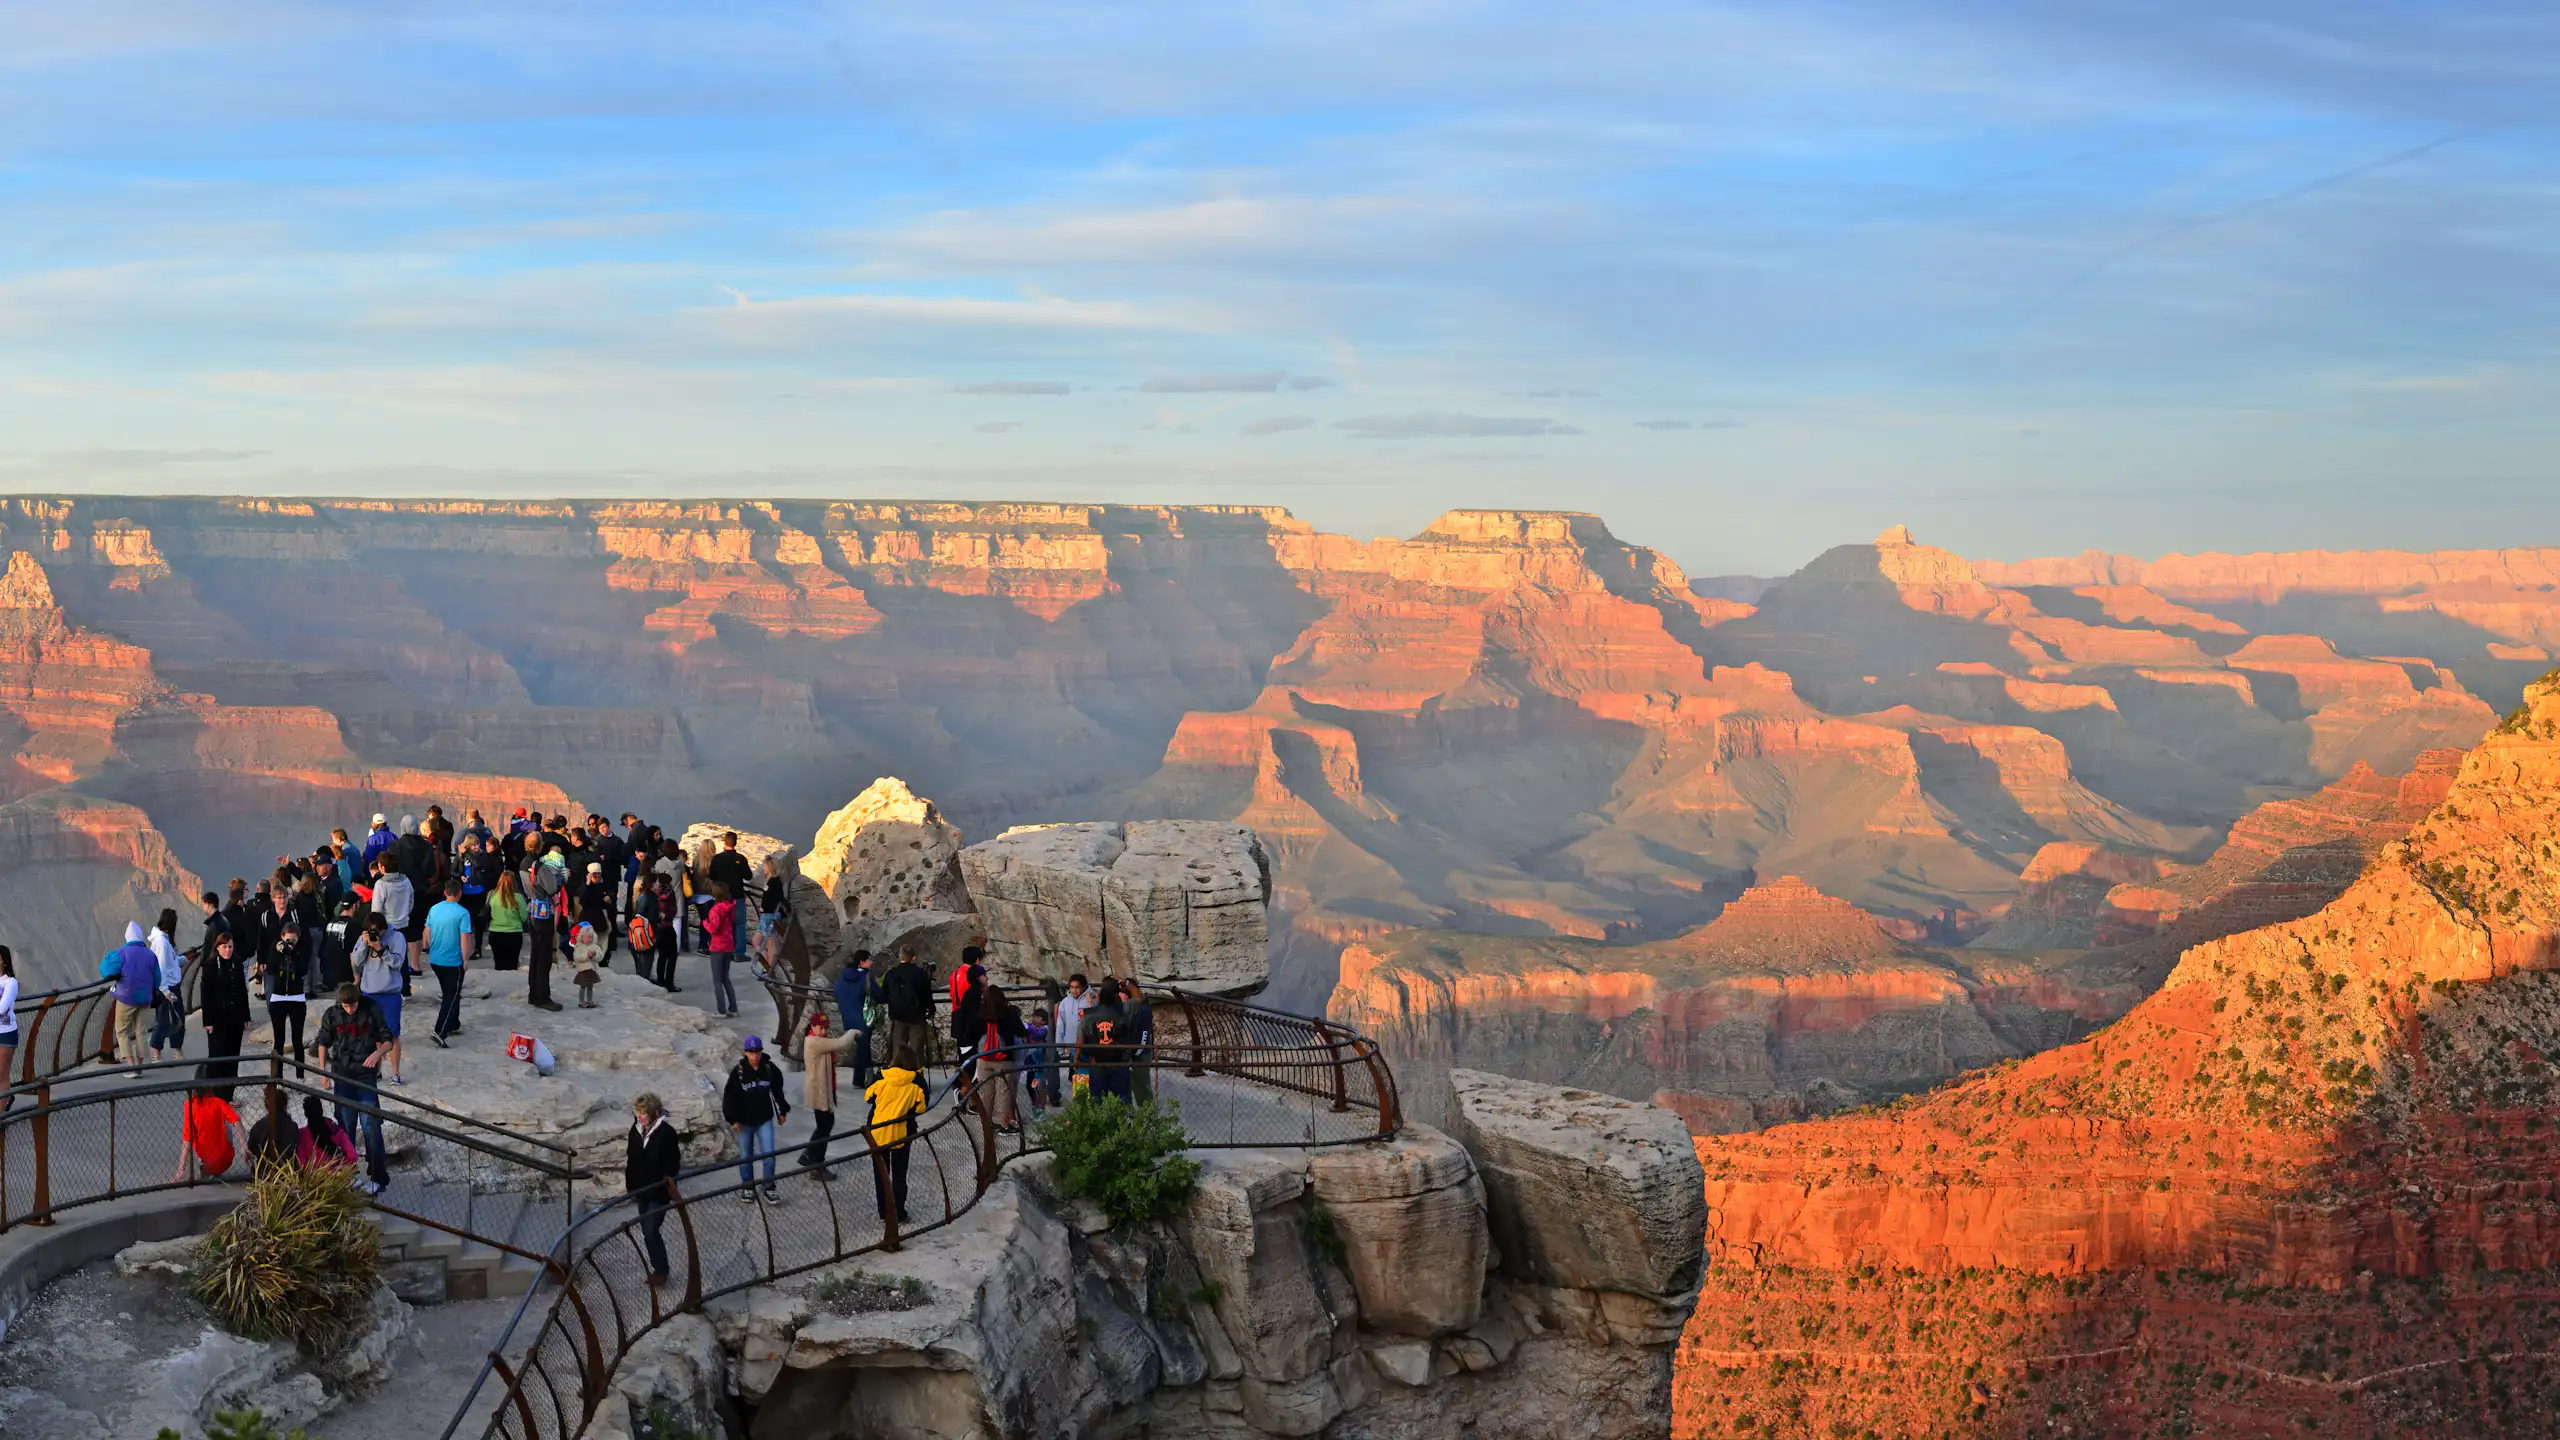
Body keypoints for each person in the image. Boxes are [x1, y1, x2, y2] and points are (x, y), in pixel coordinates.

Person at [313, 983, 393, 1193]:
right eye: (346, 1006)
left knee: (371, 1127)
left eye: (353, 1005)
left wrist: (377, 1055)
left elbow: (388, 1040)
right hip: (342, 1076)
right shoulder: (332, 1014)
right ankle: (350, 1175)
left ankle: (378, 1177)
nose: (350, 1009)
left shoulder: (371, 1008)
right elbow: (323, 1042)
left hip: (366, 1077)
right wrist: (323, 1073)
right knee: (345, 1129)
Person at [625, 1092, 683, 1287]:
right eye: (638, 1112)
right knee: (647, 1231)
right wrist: (631, 1186)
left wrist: (666, 1183)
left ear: (655, 1113)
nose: (639, 1116)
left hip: (659, 1192)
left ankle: (661, 1270)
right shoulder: (635, 1131)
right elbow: (631, 1160)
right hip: (641, 1190)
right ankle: (658, 1268)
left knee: (650, 1230)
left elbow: (673, 1164)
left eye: (643, 1113)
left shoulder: (667, 1133)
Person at [722, 1036, 788, 1204]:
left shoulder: (769, 1069)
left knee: (769, 1155)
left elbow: (777, 1091)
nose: (755, 1055)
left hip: (764, 1119)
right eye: (751, 1052)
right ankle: (748, 1186)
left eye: (757, 1051)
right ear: (745, 1053)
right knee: (746, 1156)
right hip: (744, 1121)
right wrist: (732, 1119)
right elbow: (729, 1097)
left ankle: (769, 1188)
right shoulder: (738, 1072)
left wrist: (782, 1110)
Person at [863, 1052, 925, 1225]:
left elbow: (868, 1097)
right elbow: (921, 1107)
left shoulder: (881, 1076)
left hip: (877, 1133)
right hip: (901, 1135)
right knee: (899, 1175)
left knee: (881, 1174)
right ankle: (899, 1212)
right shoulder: (916, 1080)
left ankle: (884, 1211)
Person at [798, 1010, 859, 1177]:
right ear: (813, 1027)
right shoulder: (813, 1041)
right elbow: (841, 1043)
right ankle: (814, 1161)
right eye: (821, 1028)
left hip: (825, 1089)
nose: (824, 1032)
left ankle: (812, 1157)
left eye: (826, 1028)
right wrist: (853, 1032)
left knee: (825, 1124)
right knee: (824, 1125)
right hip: (819, 1091)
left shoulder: (819, 1040)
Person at [354, 914, 411, 1087]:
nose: (373, 933)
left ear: (383, 928)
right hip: (369, 993)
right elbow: (356, 961)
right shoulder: (363, 937)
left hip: (389, 993)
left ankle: (395, 1073)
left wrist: (380, 948)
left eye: (376, 930)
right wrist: (365, 945)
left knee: (392, 1035)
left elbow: (397, 963)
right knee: (371, 1035)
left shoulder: (397, 937)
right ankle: (376, 1070)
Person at [254, 918, 311, 1071]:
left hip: (296, 998)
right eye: (287, 940)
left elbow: (302, 970)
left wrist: (294, 953)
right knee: (278, 1039)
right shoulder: (274, 947)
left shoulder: (302, 949)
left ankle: (300, 1074)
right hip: (278, 997)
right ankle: (277, 1076)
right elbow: (271, 970)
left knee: (297, 1039)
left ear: (298, 939)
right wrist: (278, 953)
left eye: (293, 940)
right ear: (282, 937)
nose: (290, 943)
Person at [198, 930, 251, 1090]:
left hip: (234, 1018)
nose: (227, 950)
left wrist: (246, 1016)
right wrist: (208, 1021)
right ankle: (214, 1093)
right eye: (224, 947)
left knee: (233, 1057)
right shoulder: (210, 966)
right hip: (217, 1019)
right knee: (217, 1056)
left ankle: (228, 1095)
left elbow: (242, 991)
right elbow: (205, 995)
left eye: (230, 947)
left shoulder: (237, 963)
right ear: (218, 948)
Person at [424, 880, 472, 1046]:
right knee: (450, 996)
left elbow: (427, 932)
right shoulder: (463, 913)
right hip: (453, 961)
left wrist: (431, 948)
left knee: (450, 992)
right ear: (460, 893)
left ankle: (453, 1023)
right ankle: (439, 1030)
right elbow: (465, 938)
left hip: (435, 959)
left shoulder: (434, 908)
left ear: (445, 892)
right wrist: (465, 959)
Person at [173, 1082, 250, 1183]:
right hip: (225, 1159)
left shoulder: (189, 1104)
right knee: (227, 1122)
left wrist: (181, 1168)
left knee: (194, 1129)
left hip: (205, 1157)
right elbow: (237, 1121)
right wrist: (243, 1146)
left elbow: (187, 1138)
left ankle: (204, 1161)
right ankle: (215, 1159)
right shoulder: (219, 1102)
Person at [110, 920, 159, 1073]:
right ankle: (140, 1064)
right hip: (145, 998)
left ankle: (131, 1065)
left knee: (122, 1030)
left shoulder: (120, 953)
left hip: (126, 997)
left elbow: (105, 969)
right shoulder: (150, 954)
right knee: (141, 1031)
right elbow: (157, 979)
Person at [524, 847, 564, 1012]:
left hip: (532, 911)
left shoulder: (524, 863)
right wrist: (560, 878)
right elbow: (552, 888)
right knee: (544, 956)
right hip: (543, 913)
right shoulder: (541, 867)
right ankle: (542, 996)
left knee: (535, 954)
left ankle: (533, 993)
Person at [1081, 978, 1132, 1102]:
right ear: (1116, 995)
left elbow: (1083, 1038)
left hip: (1097, 1061)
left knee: (1097, 1099)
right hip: (1119, 1061)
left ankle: (1100, 1121)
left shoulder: (1088, 1014)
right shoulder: (1125, 1011)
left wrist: (1082, 1055)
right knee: (1121, 1099)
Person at [832, 950, 874, 1091]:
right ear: (861, 962)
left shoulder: (842, 977)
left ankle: (868, 1074)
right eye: (869, 960)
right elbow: (878, 993)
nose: (871, 962)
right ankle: (859, 1079)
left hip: (848, 1017)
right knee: (863, 1047)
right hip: (863, 1018)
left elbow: (836, 991)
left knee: (862, 1046)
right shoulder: (865, 977)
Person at [149, 909, 187, 1063]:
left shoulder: (163, 941)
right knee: (164, 1019)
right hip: (167, 988)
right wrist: (165, 991)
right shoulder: (162, 943)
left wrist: (180, 959)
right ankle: (157, 1053)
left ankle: (176, 1051)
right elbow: (161, 967)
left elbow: (169, 962)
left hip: (170, 985)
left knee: (175, 1018)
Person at [1053, 973, 1093, 1100]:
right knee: (1076, 1076)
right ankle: (1081, 1101)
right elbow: (1060, 1024)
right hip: (1071, 1046)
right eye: (1072, 987)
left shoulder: (1090, 1000)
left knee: (1086, 1075)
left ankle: (1084, 1102)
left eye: (1077, 987)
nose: (1074, 990)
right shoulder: (1065, 1002)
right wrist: (1060, 1047)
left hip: (1088, 1046)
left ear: (1084, 987)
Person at [704, 884, 740, 1017]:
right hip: (728, 944)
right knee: (725, 978)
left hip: (718, 946)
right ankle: (733, 1008)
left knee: (717, 980)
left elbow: (714, 929)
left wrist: (705, 923)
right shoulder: (730, 907)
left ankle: (721, 1010)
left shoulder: (715, 909)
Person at [298, 1094, 358, 1171]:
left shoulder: (302, 1135)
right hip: (338, 1173)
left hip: (316, 1177)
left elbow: (302, 1163)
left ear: (305, 1114)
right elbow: (352, 1155)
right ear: (322, 1110)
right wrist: (347, 1164)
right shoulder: (334, 1129)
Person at [1121, 978, 1157, 1105]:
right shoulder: (1142, 1007)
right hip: (1139, 1053)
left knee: (1141, 1089)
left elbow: (1142, 1033)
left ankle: (1145, 1118)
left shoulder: (1138, 1009)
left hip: (1138, 1054)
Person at [486, 868, 528, 972]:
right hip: (513, 934)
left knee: (499, 964)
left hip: (495, 933)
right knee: (512, 964)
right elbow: (524, 917)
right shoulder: (518, 898)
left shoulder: (491, 895)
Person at [577, 861, 618, 968]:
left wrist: (609, 898)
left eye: (598, 874)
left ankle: (602, 960)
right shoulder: (585, 887)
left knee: (603, 942)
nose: (597, 876)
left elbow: (610, 894)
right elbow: (582, 900)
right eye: (594, 874)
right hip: (589, 919)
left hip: (601, 919)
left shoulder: (603, 885)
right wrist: (588, 883)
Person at [1021, 1006, 1052, 1115]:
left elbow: (1037, 1033)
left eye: (1037, 1017)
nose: (1034, 1019)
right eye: (1034, 1016)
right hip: (1030, 1063)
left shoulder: (1045, 1029)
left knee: (1040, 1086)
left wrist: (1025, 1027)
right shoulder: (1031, 1027)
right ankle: (1035, 1105)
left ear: (1043, 1020)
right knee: (1030, 1085)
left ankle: (1041, 1108)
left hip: (1039, 1064)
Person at [0, 946, 18, 1113]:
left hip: (5, 1033)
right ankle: (7, 1097)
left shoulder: (10, 982)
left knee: (1, 1073)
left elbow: (2, 1008)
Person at [571, 920, 605, 1007]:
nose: (589, 939)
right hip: (583, 971)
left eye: (590, 937)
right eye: (587, 937)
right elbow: (577, 958)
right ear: (582, 937)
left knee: (590, 986)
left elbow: (600, 957)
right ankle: (581, 1001)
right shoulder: (579, 947)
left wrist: (594, 955)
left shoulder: (594, 947)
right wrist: (587, 956)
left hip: (592, 971)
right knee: (583, 986)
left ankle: (589, 1001)